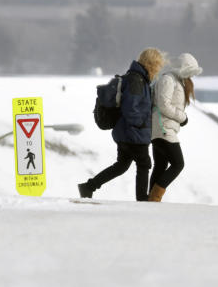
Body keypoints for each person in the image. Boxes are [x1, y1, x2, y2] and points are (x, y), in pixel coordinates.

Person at [78, 48, 166, 201]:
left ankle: (88, 186)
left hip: (126, 132)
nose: (158, 69)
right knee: (144, 164)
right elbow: (131, 108)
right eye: (157, 65)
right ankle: (141, 199)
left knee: (121, 165)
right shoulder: (136, 81)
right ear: (151, 64)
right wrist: (141, 124)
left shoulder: (138, 78)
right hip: (134, 133)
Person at [147, 52, 203, 203]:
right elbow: (163, 105)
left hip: (162, 128)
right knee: (178, 164)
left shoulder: (177, 80)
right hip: (163, 128)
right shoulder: (168, 79)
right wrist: (182, 117)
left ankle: (150, 200)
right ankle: (155, 197)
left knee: (160, 165)